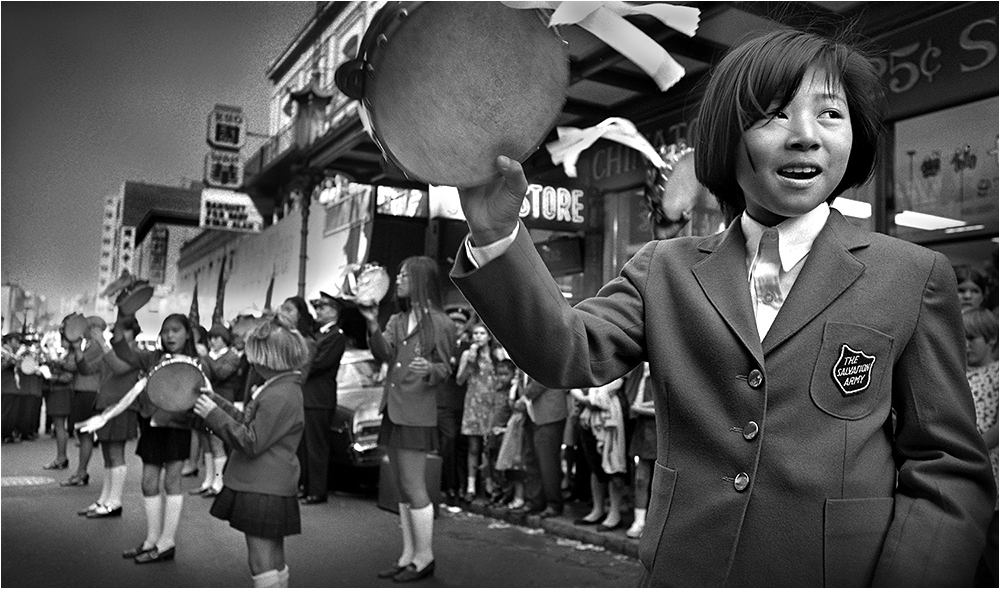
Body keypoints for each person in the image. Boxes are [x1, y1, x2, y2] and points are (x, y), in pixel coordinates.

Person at [450, 28, 995, 585]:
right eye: (775, 114)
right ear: (726, 140)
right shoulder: (663, 269)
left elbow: (947, 468)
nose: (806, 136)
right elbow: (566, 352)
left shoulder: (910, 276)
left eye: (831, 114)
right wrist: (495, 234)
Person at [78, 312, 204, 564]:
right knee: (148, 482)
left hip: (178, 428)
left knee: (172, 482)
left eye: (176, 330)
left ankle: (166, 543)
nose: (170, 336)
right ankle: (150, 540)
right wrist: (124, 312)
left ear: (187, 334)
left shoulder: (197, 362)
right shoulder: (152, 357)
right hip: (152, 426)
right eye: (165, 331)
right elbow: (123, 352)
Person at [192, 314, 308, 589]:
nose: (252, 362)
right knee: (275, 559)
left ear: (269, 358)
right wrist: (215, 401)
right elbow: (248, 423)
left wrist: (213, 415)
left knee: (260, 563)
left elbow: (251, 440)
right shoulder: (283, 388)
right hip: (273, 485)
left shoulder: (279, 394)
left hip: (261, 486)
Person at [360, 256, 456, 583]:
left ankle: (425, 557)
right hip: (393, 408)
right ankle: (408, 555)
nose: (398, 280)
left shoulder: (442, 323)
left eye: (404, 275)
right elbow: (383, 354)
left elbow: (447, 368)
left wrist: (430, 369)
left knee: (414, 486)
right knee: (401, 487)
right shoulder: (397, 319)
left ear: (421, 281)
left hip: (417, 412)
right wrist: (372, 323)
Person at [74, 316, 142, 518]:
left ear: (133, 332)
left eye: (122, 331)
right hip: (104, 405)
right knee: (107, 455)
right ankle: (104, 499)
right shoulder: (111, 351)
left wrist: (102, 342)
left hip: (122, 406)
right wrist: (78, 349)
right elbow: (86, 369)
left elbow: (119, 368)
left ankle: (115, 502)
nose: (117, 335)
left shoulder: (136, 353)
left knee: (116, 454)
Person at [298, 291, 347, 505]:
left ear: (334, 311)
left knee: (316, 446)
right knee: (304, 446)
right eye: (317, 307)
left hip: (319, 398)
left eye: (322, 307)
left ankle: (317, 490)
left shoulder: (336, 336)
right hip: (309, 396)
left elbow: (319, 363)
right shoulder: (319, 334)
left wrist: (298, 364)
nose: (318, 311)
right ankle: (306, 486)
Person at [963, 307, 999, 587]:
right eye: (961, 338)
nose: (965, 345)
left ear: (991, 340)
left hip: (991, 469)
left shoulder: (997, 374)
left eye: (972, 338)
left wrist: (977, 450)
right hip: (965, 471)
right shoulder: (959, 375)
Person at [569, 379, 629, 531]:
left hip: (613, 413)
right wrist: (584, 398)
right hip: (588, 414)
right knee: (594, 464)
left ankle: (614, 513)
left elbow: (617, 381)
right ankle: (598, 509)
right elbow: (577, 382)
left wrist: (592, 398)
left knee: (613, 462)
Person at [456, 322, 506, 502]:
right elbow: (459, 380)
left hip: (492, 404)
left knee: (490, 447)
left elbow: (504, 377)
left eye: (482, 333)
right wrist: (469, 363)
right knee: (474, 447)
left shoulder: (497, 354)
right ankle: (471, 486)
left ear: (489, 336)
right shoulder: (467, 355)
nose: (478, 337)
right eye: (475, 334)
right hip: (473, 404)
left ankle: (489, 484)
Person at [191, 323, 242, 497]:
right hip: (205, 398)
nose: (212, 341)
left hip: (223, 400)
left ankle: (219, 483)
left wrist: (205, 358)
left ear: (224, 339)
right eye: (211, 338)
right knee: (206, 442)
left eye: (216, 338)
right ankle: (208, 480)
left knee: (217, 442)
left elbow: (221, 373)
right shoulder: (208, 357)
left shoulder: (232, 356)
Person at [516, 372, 569, 518]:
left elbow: (545, 375)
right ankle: (535, 501)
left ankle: (553, 504)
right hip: (531, 414)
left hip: (549, 413)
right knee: (531, 459)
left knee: (548, 461)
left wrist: (524, 397)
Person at [62, 317, 106, 486]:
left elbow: (81, 366)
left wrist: (75, 349)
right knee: (83, 434)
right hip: (86, 390)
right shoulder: (91, 344)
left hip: (88, 390)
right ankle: (81, 471)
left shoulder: (95, 345)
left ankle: (81, 472)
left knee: (84, 434)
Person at [437, 306, 473, 505]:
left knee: (463, 445)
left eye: (460, 322)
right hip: (444, 401)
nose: (457, 326)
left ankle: (463, 486)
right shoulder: (440, 344)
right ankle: (449, 486)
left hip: (466, 402)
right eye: (453, 321)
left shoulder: (470, 346)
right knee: (448, 441)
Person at [625, 363, 656, 539]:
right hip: (642, 431)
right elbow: (632, 405)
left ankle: (654, 524)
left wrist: (641, 408)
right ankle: (639, 521)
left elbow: (665, 408)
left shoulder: (663, 377)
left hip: (661, 434)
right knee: (641, 479)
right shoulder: (640, 378)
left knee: (660, 482)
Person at [41, 334, 75, 470]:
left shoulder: (71, 356)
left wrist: (51, 376)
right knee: (59, 426)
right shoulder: (67, 354)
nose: (62, 342)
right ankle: (61, 457)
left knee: (59, 426)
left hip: (60, 391)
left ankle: (61, 457)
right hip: (59, 391)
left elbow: (68, 376)